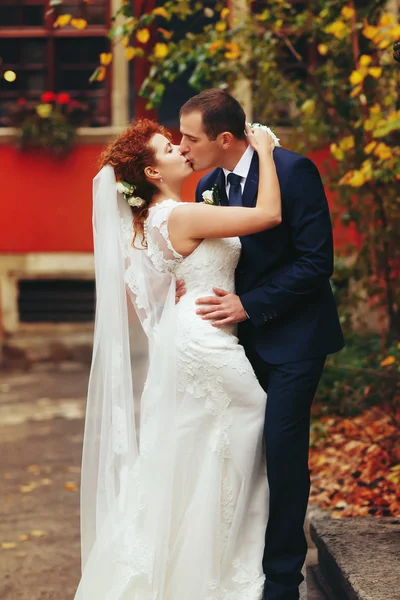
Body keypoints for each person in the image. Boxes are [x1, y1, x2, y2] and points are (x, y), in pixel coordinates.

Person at [74, 117, 283, 600]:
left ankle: (198, 572)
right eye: (168, 148)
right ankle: (221, 574)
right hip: (204, 342)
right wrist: (266, 151)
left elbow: (169, 281)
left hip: (191, 334)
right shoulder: (179, 216)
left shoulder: (157, 220)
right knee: (244, 431)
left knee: (200, 452)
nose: (181, 150)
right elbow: (269, 214)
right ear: (152, 174)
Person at [177, 89, 344, 600]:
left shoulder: (293, 172)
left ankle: (281, 580)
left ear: (224, 138)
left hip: (295, 339)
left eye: (190, 138)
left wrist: (250, 304)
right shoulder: (207, 184)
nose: (182, 148)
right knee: (239, 455)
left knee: (283, 453)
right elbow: (216, 256)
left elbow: (316, 263)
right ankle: (240, 565)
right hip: (235, 347)